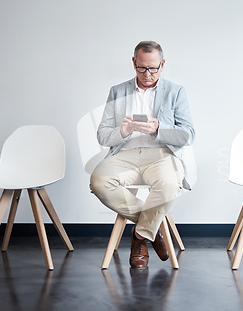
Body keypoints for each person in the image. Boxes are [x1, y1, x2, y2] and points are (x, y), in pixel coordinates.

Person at [90, 41, 195, 269]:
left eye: (153, 68)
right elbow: (102, 135)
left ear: (162, 64)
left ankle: (139, 238)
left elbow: (189, 135)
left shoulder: (176, 92)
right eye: (142, 68)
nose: (147, 74)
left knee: (169, 186)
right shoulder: (117, 91)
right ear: (134, 63)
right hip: (125, 154)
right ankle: (151, 229)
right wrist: (123, 131)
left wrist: (159, 129)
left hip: (161, 154)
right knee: (99, 182)